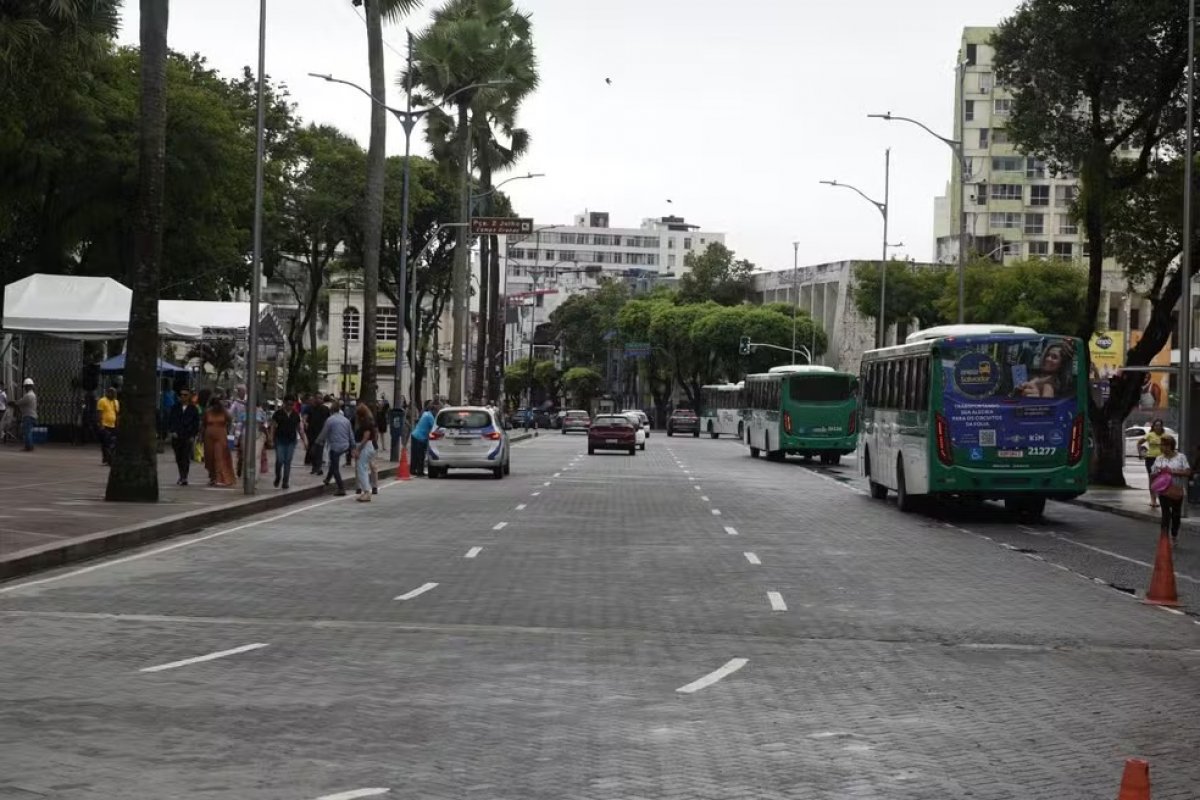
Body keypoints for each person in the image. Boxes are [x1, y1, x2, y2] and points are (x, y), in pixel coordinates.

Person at [1151, 434, 1191, 545]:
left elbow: (1188, 472)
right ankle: (1164, 536)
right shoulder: (1159, 458)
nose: (1162, 447)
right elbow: (1153, 473)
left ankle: (1174, 534)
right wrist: (1158, 473)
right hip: (1163, 490)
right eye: (1161, 445)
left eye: (1164, 445)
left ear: (1170, 446)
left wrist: (1172, 472)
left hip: (1176, 490)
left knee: (1176, 514)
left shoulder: (1181, 457)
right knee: (1165, 514)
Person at [316, 400, 353, 496]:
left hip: (335, 446)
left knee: (335, 466)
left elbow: (323, 433)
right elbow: (351, 434)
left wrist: (318, 442)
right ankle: (328, 479)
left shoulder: (330, 420)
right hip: (345, 445)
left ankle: (341, 488)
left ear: (331, 410)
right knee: (333, 463)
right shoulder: (346, 420)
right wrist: (353, 446)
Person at [269, 394, 306, 490]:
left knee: (288, 461)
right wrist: (271, 439)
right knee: (280, 460)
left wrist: (304, 440)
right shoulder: (278, 413)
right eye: (288, 404)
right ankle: (278, 476)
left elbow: (299, 429)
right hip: (280, 439)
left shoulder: (295, 415)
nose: (290, 406)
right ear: (284, 403)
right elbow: (273, 426)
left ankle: (285, 481)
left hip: (291, 441)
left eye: (292, 404)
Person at [167, 388, 200, 485]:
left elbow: (196, 423)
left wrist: (193, 435)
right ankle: (181, 475)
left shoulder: (193, 409)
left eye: (185, 395)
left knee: (185, 457)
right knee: (178, 457)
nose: (183, 396)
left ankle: (184, 476)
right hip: (177, 435)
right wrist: (172, 431)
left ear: (189, 396)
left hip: (187, 435)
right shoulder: (175, 408)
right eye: (181, 395)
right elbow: (171, 420)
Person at [202, 397, 236, 487]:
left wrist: (229, 431)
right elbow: (203, 424)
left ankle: (220, 478)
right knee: (210, 457)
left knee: (219, 456)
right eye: (214, 405)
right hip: (208, 437)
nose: (216, 407)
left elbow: (230, 420)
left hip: (221, 436)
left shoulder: (224, 412)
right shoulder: (208, 412)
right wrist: (201, 436)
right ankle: (212, 477)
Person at [1138, 419, 1166, 509]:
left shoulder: (1165, 436)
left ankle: (1160, 498)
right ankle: (1153, 499)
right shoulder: (1150, 435)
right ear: (1153, 426)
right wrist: (1141, 453)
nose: (1158, 427)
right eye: (1156, 425)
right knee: (1152, 478)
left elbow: (1170, 446)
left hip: (1162, 459)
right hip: (1151, 458)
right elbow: (1139, 443)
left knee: (1161, 479)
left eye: (1159, 425)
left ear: (1162, 426)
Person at [353, 403, 379, 501]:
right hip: (368, 446)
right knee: (363, 468)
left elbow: (365, 437)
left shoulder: (366, 423)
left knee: (362, 469)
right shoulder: (368, 422)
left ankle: (367, 492)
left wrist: (358, 449)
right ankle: (366, 491)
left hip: (365, 447)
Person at [306, 394, 331, 475]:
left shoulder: (325, 409)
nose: (319, 400)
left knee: (319, 451)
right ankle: (314, 467)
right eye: (317, 398)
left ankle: (318, 468)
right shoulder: (311, 409)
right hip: (312, 432)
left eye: (320, 398)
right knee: (312, 451)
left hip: (321, 432)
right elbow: (308, 420)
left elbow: (327, 420)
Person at [97, 386, 120, 465]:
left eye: (114, 393)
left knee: (112, 443)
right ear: (107, 393)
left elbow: (117, 414)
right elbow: (99, 414)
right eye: (112, 393)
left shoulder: (116, 402)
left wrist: (117, 424)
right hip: (104, 425)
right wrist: (101, 425)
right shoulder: (102, 401)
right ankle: (107, 458)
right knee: (106, 443)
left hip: (113, 426)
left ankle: (109, 458)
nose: (113, 394)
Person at [16, 378, 37, 452]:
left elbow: (20, 402)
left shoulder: (29, 395)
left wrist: (14, 403)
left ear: (29, 386)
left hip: (28, 416)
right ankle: (30, 446)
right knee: (28, 431)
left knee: (27, 432)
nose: (25, 388)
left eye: (26, 386)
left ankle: (28, 447)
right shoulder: (32, 394)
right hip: (31, 415)